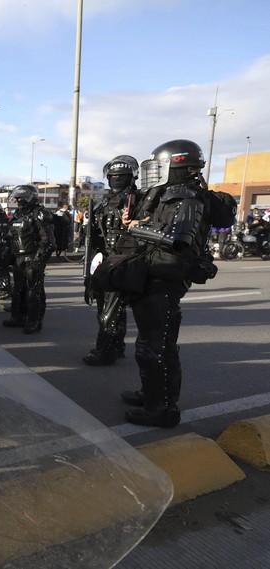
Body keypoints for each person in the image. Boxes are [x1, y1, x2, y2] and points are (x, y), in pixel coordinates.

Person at [119, 139, 215, 428]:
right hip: (155, 274)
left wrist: (138, 227)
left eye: (158, 166)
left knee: (155, 347)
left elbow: (177, 239)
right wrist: (136, 221)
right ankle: (151, 395)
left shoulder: (186, 197)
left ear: (175, 165)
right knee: (153, 343)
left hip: (166, 280)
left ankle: (160, 409)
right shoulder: (169, 195)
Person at [82, 155, 142, 366]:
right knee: (111, 308)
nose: (116, 179)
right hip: (106, 260)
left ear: (131, 176)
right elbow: (96, 234)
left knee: (109, 310)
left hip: (125, 260)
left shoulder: (140, 200)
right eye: (113, 176)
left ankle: (105, 351)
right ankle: (116, 346)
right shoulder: (104, 202)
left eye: (121, 176)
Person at [2, 184, 52, 334]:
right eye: (16, 198)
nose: (18, 200)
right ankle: (17, 317)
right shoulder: (17, 215)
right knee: (17, 290)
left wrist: (39, 258)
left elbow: (48, 241)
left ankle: (34, 321)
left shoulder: (41, 214)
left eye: (20, 198)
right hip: (18, 257)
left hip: (33, 257)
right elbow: (12, 237)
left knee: (33, 291)